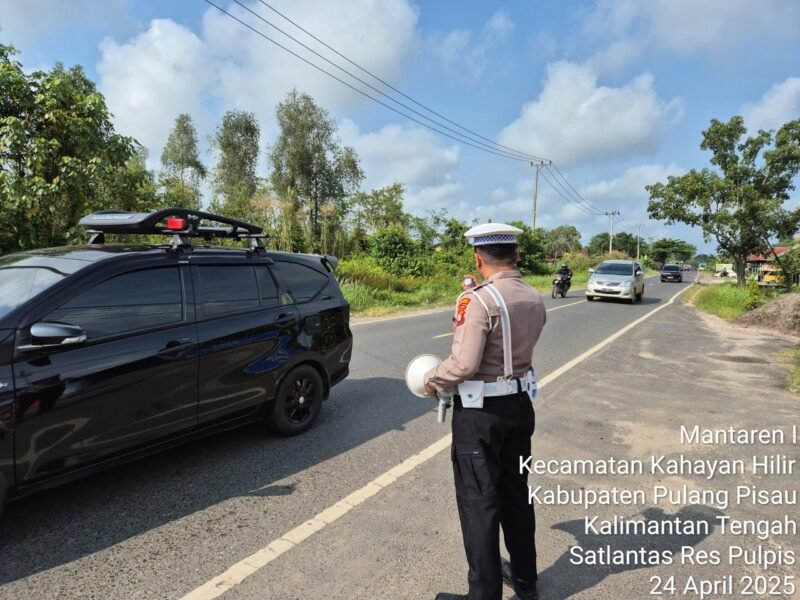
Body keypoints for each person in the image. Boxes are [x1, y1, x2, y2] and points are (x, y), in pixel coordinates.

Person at [423, 223, 547, 600]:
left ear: (478, 259)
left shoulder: (479, 300)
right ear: (517, 256)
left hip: (481, 414)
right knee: (516, 493)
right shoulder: (534, 296)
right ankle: (525, 580)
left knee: (479, 504)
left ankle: (483, 594)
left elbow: (463, 365)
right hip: (519, 406)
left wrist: (431, 379)